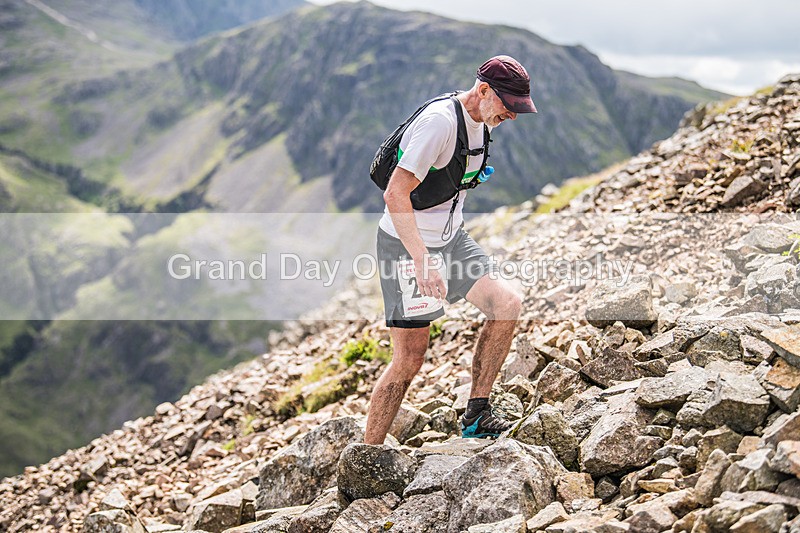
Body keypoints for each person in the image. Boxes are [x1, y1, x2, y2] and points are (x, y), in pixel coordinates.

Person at [364, 55, 537, 443]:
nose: (512, 116)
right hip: (406, 246)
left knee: (506, 304)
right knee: (410, 359)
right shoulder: (439, 123)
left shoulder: (482, 121)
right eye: (509, 107)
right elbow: (395, 193)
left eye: (518, 110)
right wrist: (422, 261)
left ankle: (476, 414)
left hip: (452, 239)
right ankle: (367, 454)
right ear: (484, 90)